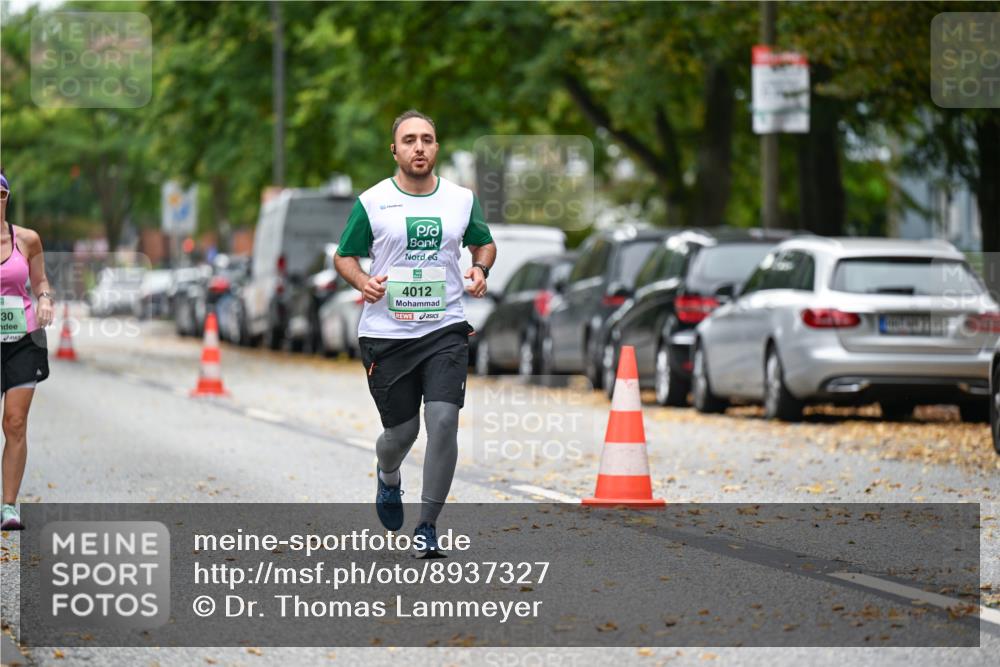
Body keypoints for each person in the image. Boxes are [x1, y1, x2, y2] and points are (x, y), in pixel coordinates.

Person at [333, 110, 496, 558]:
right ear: (395, 150)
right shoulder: (372, 202)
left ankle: (427, 524)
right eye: (409, 140)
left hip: (444, 327)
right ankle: (388, 475)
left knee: (443, 422)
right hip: (386, 334)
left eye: (427, 139)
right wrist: (362, 281)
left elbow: (484, 242)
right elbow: (344, 256)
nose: (418, 147)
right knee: (400, 435)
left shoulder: (460, 200)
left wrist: (479, 268)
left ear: (437, 147)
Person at [0, 171, 54, 531]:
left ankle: (8, 507)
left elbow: (41, 282)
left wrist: (45, 300)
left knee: (15, 422)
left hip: (22, 339)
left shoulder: (28, 239)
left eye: (1, 193)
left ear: (7, 197)